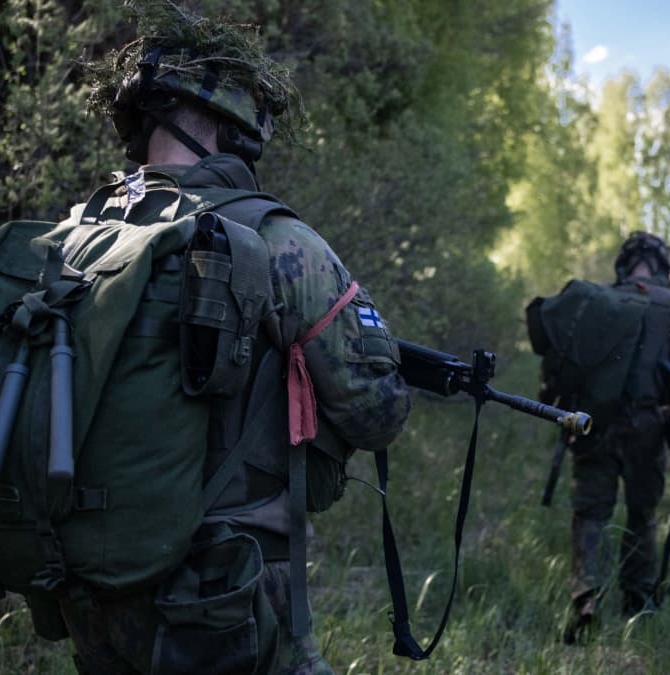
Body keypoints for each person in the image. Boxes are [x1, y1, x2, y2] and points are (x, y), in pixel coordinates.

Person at [56, 8, 412, 673]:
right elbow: (378, 412)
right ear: (231, 131)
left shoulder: (79, 237)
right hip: (225, 587)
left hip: (90, 586)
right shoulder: (277, 241)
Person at [539, 232, 670, 643]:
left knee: (591, 513)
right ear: (662, 266)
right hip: (647, 426)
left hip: (593, 424)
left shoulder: (597, 299)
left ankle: (586, 596)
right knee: (642, 515)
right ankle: (639, 598)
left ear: (624, 264)